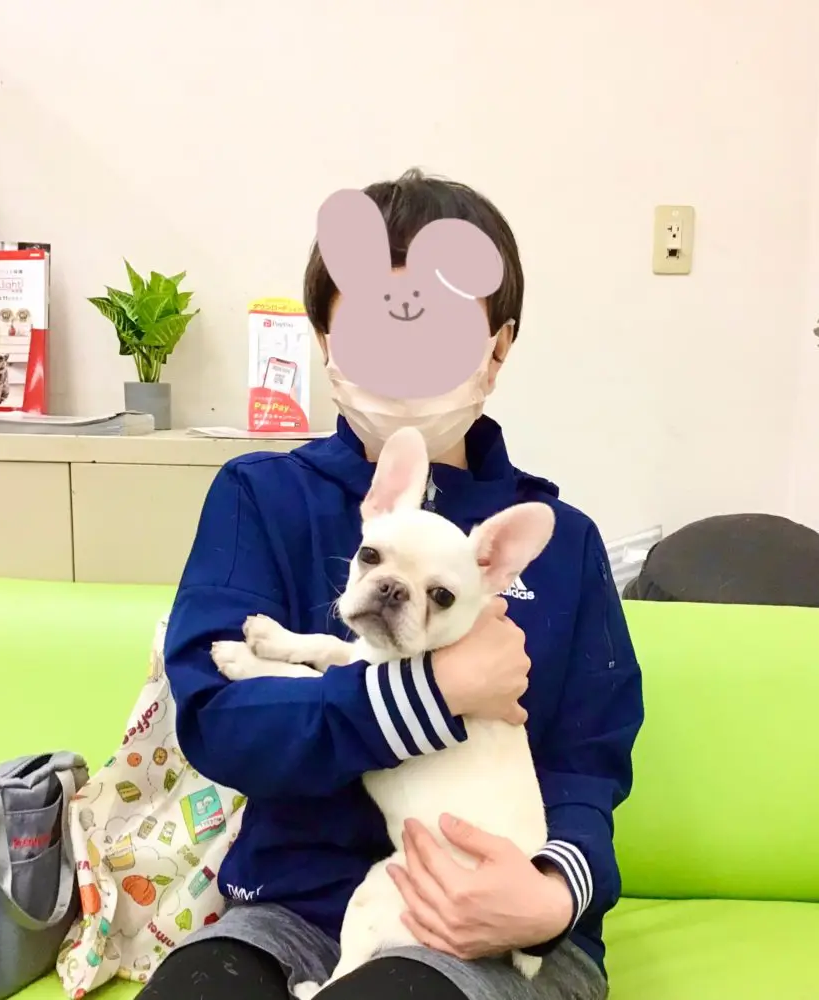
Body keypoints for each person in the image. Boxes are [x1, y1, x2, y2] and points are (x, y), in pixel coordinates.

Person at [151, 169, 644, 1000]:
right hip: (290, 910)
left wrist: (552, 896)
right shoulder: (263, 497)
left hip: (489, 922)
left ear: (497, 345)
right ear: (324, 335)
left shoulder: (559, 542)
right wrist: (435, 690)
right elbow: (217, 721)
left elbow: (588, 764)